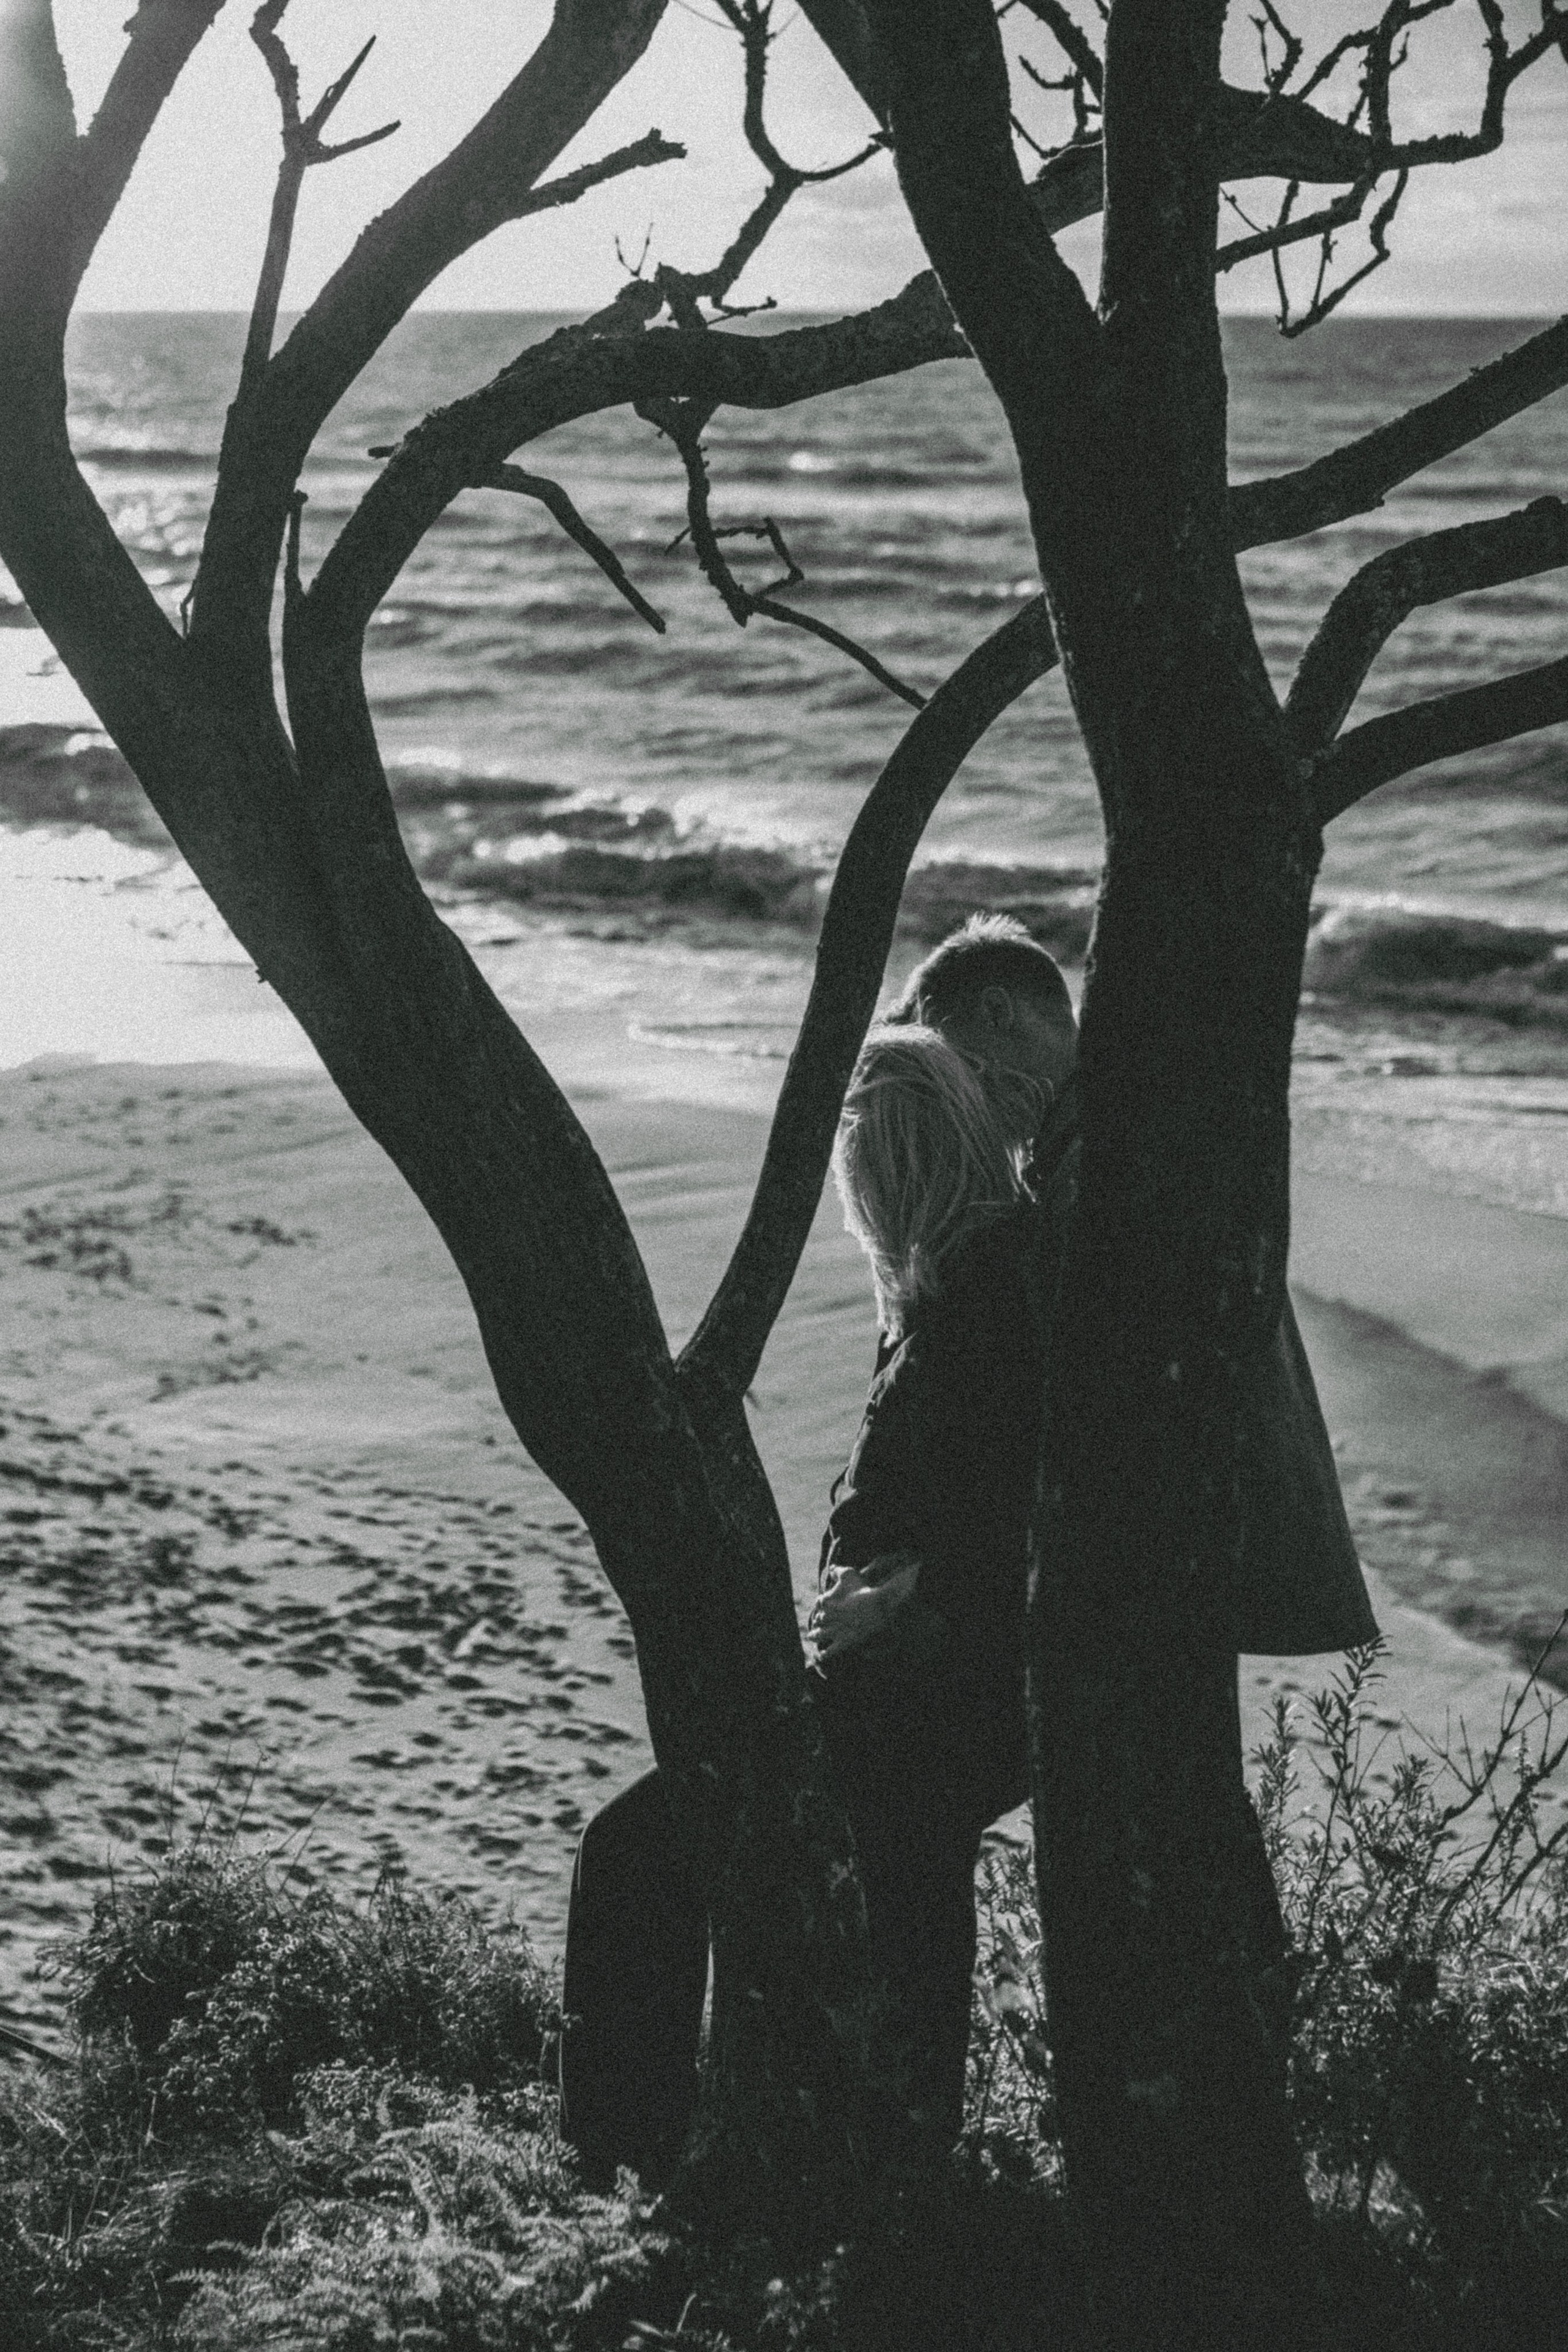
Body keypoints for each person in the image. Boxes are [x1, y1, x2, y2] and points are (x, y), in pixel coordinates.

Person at [557, 915, 1377, 2187]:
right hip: (958, 1685)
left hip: (945, 1683)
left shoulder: (997, 1284)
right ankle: (879, 2156)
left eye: (870, 1162)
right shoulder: (983, 1275)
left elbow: (1008, 1509)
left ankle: (623, 2155)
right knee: (902, 1874)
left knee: (642, 1855)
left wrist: (904, 1607)